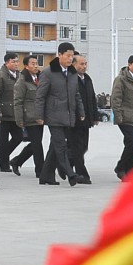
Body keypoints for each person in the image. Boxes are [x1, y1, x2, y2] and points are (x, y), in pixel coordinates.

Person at [35, 42, 84, 187]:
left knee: (54, 147)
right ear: (60, 55)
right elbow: (40, 96)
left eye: (72, 56)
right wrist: (39, 116)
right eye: (68, 56)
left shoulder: (73, 73)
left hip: (68, 115)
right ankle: (70, 173)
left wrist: (80, 111)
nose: (70, 59)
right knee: (61, 145)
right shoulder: (48, 72)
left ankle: (46, 176)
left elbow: (76, 95)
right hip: (53, 115)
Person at [10, 55, 44, 178]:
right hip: (29, 116)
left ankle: (17, 161)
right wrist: (19, 120)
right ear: (26, 66)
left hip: (40, 116)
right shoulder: (22, 81)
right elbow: (18, 101)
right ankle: (41, 171)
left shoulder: (41, 78)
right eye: (33, 64)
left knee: (36, 143)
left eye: (37, 63)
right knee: (37, 145)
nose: (36, 66)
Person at [0, 52, 22, 173]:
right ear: (6, 63)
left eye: (17, 61)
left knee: (18, 137)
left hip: (16, 113)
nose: (16, 64)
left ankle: (2, 154)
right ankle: (4, 165)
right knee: (3, 140)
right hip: (4, 113)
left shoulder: (20, 75)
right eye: (13, 61)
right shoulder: (0, 76)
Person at [68, 54, 96, 183]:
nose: (84, 66)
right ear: (74, 65)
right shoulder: (70, 78)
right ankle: (81, 173)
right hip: (75, 119)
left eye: (85, 64)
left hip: (86, 119)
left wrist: (94, 116)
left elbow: (92, 98)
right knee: (77, 147)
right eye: (81, 64)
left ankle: (66, 165)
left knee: (84, 146)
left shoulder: (88, 78)